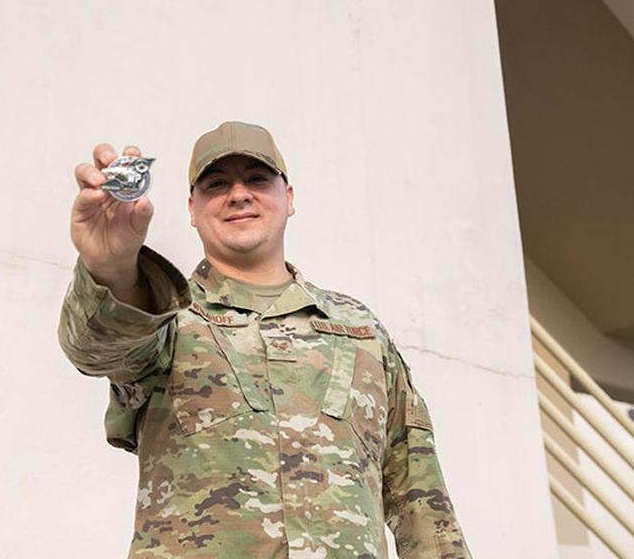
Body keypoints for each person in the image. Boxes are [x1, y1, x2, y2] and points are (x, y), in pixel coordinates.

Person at [58, 121, 471, 558]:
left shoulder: (361, 331)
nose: (239, 194)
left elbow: (419, 496)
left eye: (257, 179)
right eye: (217, 184)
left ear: (288, 198)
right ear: (192, 208)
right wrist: (111, 269)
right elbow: (96, 348)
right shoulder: (165, 318)